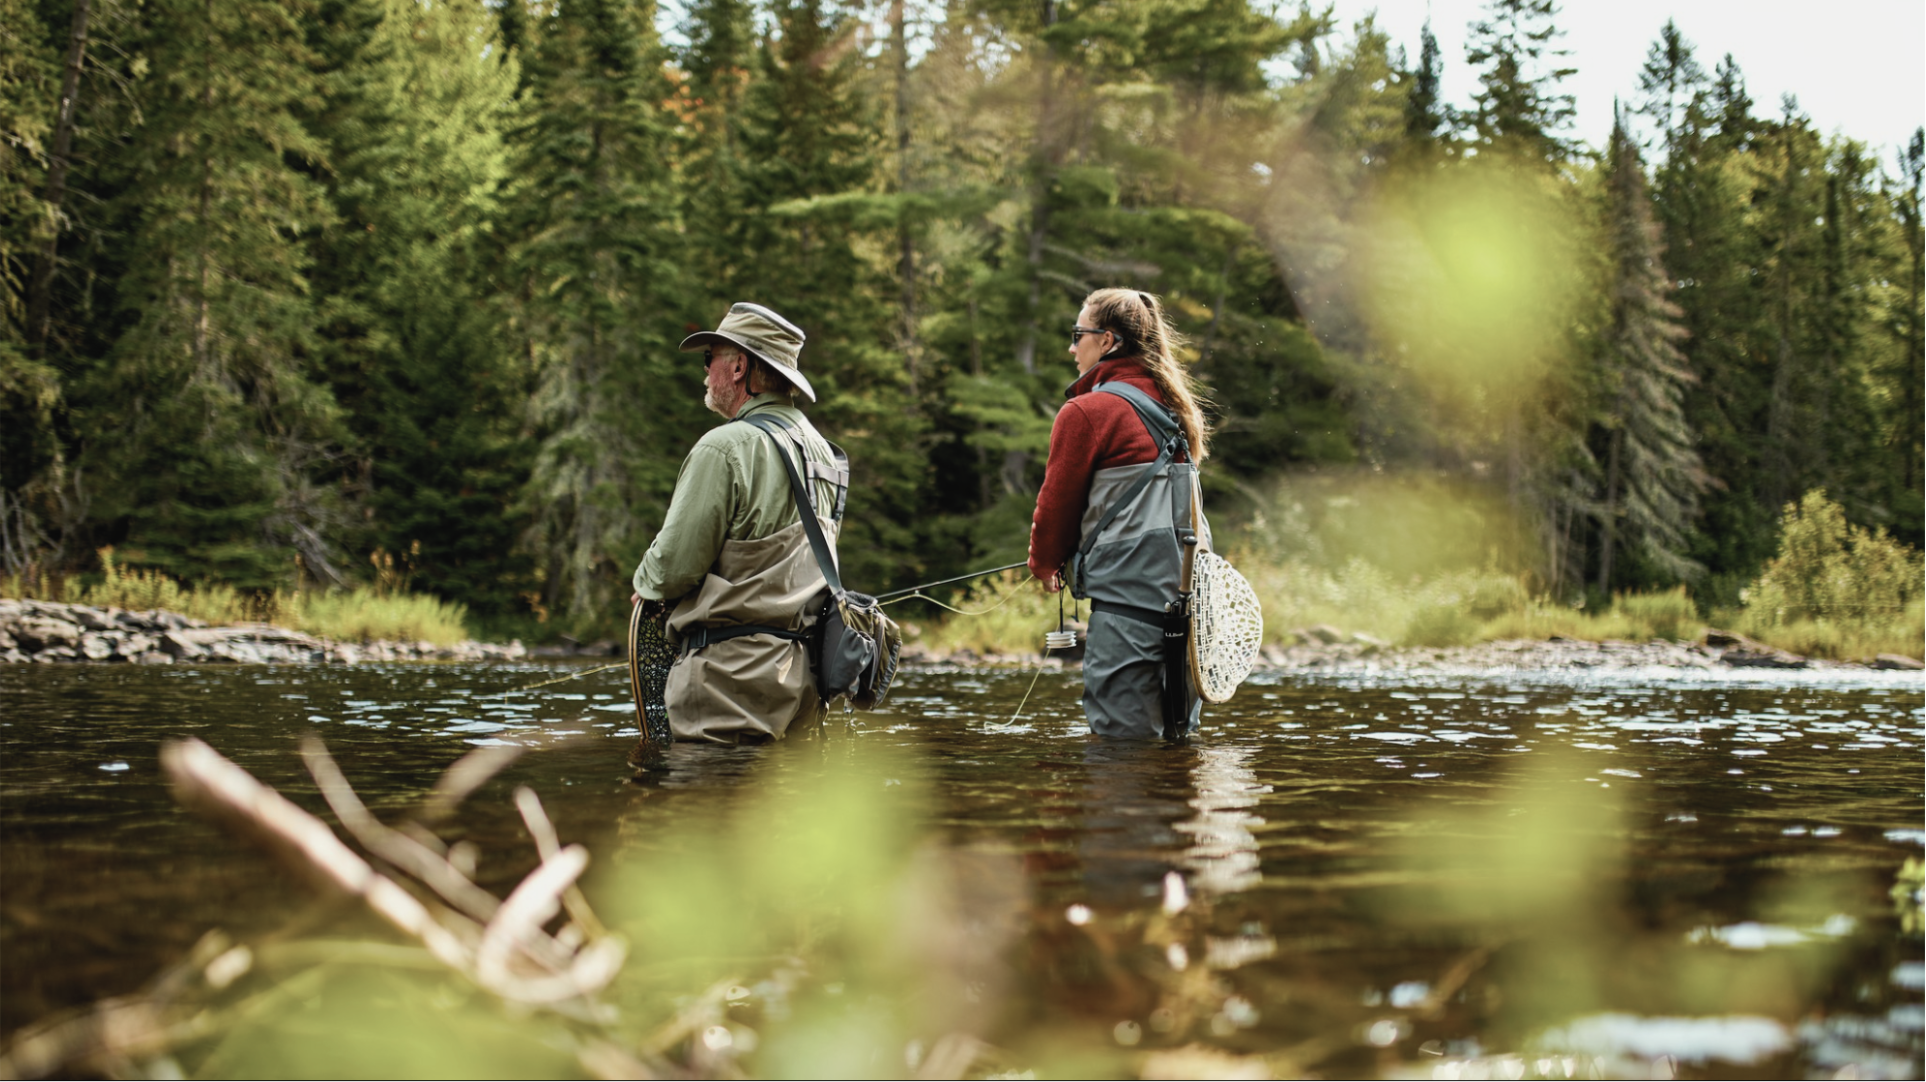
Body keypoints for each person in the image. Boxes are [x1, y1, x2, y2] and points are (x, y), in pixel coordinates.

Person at [631, 302, 847, 745]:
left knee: (710, 808)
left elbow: (674, 568)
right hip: (804, 682)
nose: (705, 371)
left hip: (727, 684)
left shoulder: (725, 447)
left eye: (710, 357)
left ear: (739, 367)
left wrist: (645, 583)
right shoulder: (825, 454)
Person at [1027, 288, 1212, 740]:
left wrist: (1044, 562)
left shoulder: (1088, 411)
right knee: (1178, 746)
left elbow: (1056, 507)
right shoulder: (1175, 409)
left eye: (1078, 334)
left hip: (1128, 611)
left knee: (1120, 754)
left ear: (1107, 341)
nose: (1072, 347)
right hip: (1194, 610)